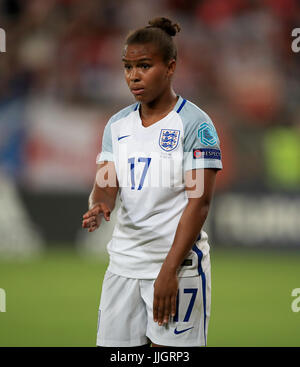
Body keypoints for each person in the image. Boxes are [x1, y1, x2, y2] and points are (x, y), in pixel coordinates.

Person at [82, 17, 222, 347]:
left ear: (170, 67)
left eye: (144, 65)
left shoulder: (195, 125)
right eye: (128, 66)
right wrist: (99, 202)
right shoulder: (116, 125)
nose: (134, 75)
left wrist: (168, 271)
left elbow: (199, 202)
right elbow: (105, 180)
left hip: (177, 267)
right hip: (124, 265)